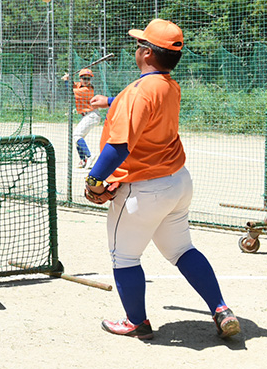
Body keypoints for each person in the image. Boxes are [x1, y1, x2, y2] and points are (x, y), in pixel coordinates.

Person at [85, 18, 240, 340]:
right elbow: (145, 108)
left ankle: (136, 322)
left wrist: (94, 180)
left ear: (147, 54)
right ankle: (220, 307)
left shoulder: (139, 91)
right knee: (183, 249)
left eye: (140, 45)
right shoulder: (169, 85)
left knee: (124, 256)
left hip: (144, 189)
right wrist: (112, 102)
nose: (136, 49)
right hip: (177, 182)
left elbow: (119, 147)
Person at [62, 67, 100, 168]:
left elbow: (70, 91)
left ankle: (89, 155)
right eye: (84, 78)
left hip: (92, 115)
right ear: (80, 79)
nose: (86, 81)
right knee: (78, 138)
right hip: (87, 116)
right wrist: (69, 77)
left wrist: (66, 81)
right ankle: (83, 160)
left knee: (77, 135)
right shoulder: (80, 85)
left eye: (88, 79)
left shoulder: (87, 90)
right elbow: (73, 84)